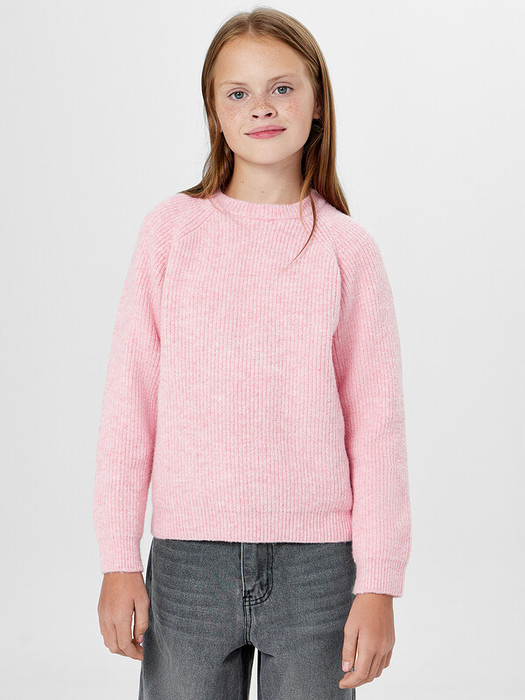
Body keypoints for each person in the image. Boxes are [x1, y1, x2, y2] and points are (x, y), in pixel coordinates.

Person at [93, 8, 412, 699]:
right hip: (187, 562)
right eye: (237, 92)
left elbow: (376, 428)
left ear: (318, 100)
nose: (260, 107)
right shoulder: (171, 232)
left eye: (282, 88)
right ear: (213, 110)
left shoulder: (347, 250)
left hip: (319, 569)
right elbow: (129, 405)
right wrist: (119, 560)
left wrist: (379, 583)